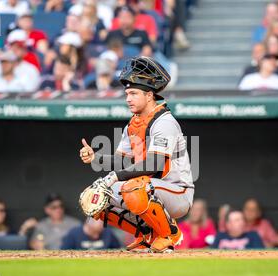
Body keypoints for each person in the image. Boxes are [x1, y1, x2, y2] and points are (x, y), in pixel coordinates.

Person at [79, 56, 194, 253]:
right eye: (127, 94)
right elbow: (123, 161)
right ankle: (147, 235)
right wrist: (96, 158)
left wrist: (113, 177)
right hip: (149, 189)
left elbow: (154, 164)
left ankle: (170, 233)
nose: (128, 98)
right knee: (96, 197)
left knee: (134, 186)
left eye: (133, 93)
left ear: (149, 95)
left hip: (178, 192)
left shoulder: (164, 122)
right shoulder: (133, 124)